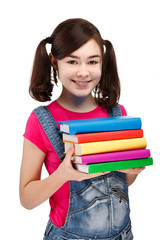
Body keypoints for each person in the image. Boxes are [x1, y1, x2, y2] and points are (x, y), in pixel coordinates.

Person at [19, 18, 144, 239]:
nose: (83, 72)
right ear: (54, 62)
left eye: (92, 62)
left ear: (103, 63)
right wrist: (62, 175)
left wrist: (132, 172)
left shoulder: (117, 113)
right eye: (72, 61)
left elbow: (122, 183)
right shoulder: (42, 121)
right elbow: (26, 199)